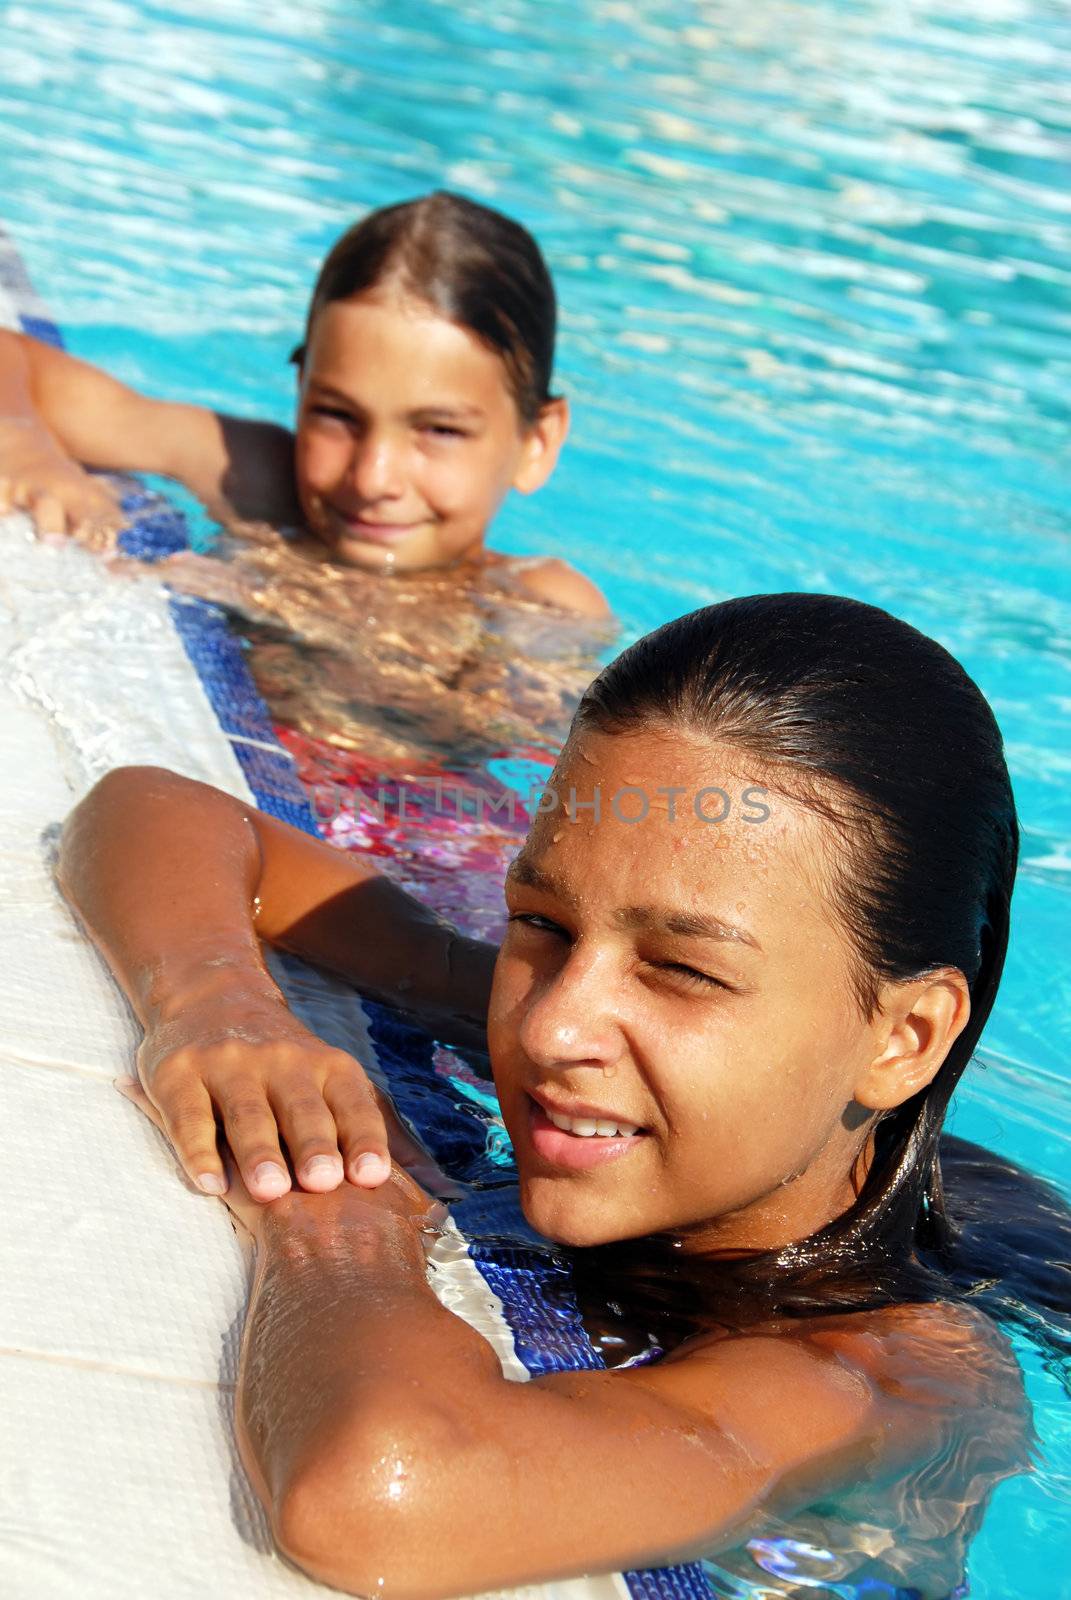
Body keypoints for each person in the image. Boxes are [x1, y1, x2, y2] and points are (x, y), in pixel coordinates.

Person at [58, 593, 1037, 1597]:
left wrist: (342, 1206)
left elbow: (385, 1494)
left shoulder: (895, 1373)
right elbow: (155, 808)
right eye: (543, 920)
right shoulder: (591, 1023)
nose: (548, 1027)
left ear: (902, 1037)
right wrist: (222, 1005)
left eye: (684, 970)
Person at [0, 190, 607, 616]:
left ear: (537, 442)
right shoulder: (255, 483)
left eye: (440, 430)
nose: (372, 479)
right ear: (300, 390)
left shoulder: (538, 604)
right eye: (338, 415)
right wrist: (23, 444)